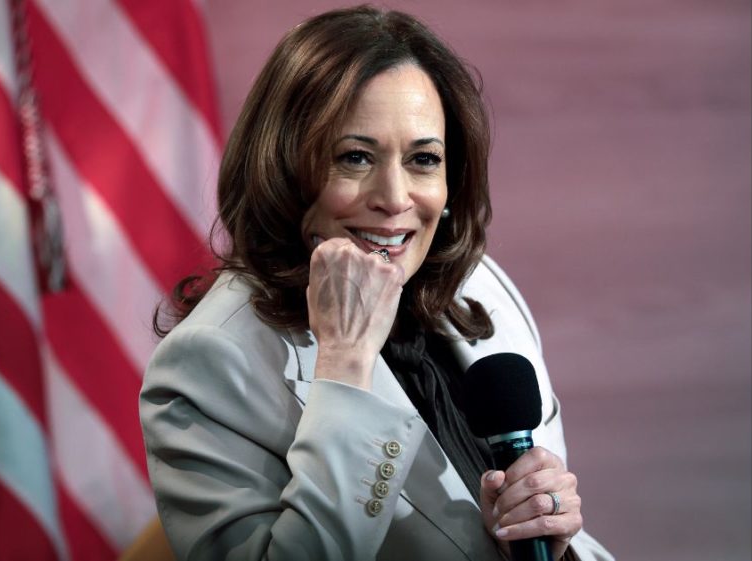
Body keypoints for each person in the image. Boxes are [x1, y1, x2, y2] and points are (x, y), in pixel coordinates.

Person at [140, 6, 614, 561]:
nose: (394, 197)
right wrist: (344, 363)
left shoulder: (481, 287)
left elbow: (568, 536)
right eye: (356, 157)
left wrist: (551, 536)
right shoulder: (209, 362)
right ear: (284, 168)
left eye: (422, 159)